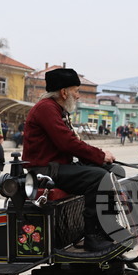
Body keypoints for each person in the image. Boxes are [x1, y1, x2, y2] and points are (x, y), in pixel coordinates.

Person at [22, 67, 120, 253]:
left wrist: (102, 158)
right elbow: (67, 143)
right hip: (45, 171)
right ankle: (93, 236)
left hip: (56, 167)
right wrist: (100, 155)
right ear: (64, 92)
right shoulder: (46, 109)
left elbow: (72, 143)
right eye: (76, 91)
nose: (78, 96)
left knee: (109, 170)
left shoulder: (56, 109)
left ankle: (107, 228)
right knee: (98, 177)